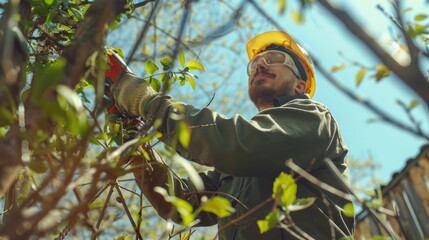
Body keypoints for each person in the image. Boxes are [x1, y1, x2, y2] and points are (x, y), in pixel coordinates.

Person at [108, 31, 355, 239]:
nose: (260, 64)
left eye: (274, 58)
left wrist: (145, 101)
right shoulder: (234, 168)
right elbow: (184, 202)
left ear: (300, 85)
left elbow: (236, 145)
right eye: (255, 63)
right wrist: (135, 148)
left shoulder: (313, 116)